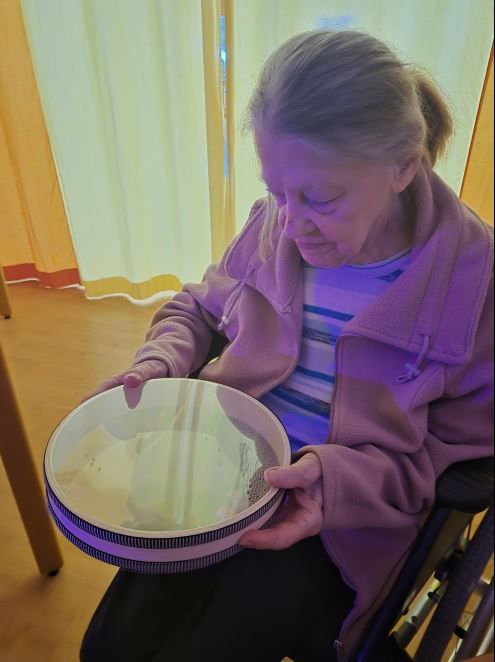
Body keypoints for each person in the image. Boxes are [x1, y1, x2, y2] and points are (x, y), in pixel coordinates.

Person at [80, 29, 493, 662]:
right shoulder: (273, 224)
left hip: (338, 519)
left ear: (405, 167)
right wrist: (160, 360)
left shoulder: (472, 283)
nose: (293, 225)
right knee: (109, 647)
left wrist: (336, 483)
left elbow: (454, 451)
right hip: (220, 471)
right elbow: (200, 306)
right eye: (277, 191)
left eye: (320, 198)